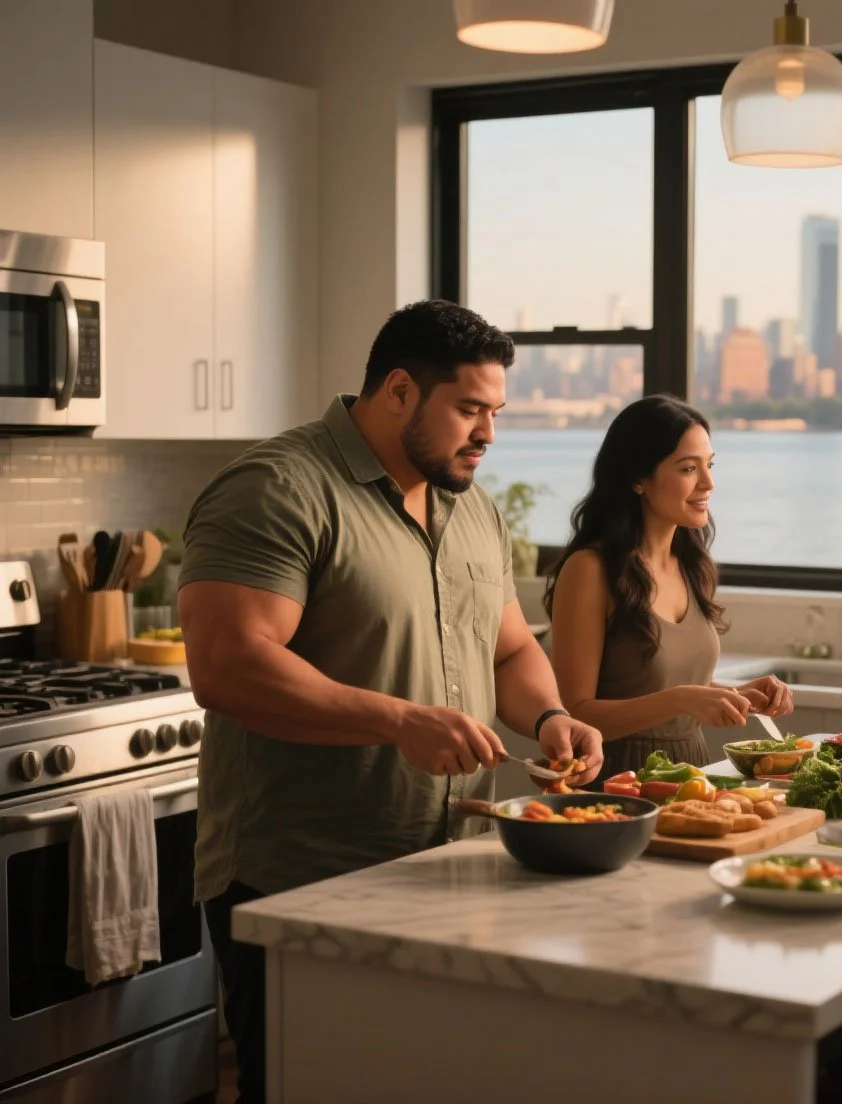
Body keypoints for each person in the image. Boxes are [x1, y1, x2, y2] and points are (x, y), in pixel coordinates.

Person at [179, 300, 603, 1104]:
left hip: (446, 869)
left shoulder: (470, 506)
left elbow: (510, 648)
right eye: (470, 409)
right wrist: (399, 721)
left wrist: (551, 717)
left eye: (495, 412)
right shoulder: (277, 487)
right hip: (301, 879)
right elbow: (229, 666)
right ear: (400, 391)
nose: (488, 433)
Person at [545, 395, 792, 781]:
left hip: (693, 775)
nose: (708, 483)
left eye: (709, 465)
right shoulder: (589, 570)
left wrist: (734, 695)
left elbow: (667, 688)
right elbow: (574, 712)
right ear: (638, 479)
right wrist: (682, 700)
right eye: (689, 468)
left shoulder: (694, 567)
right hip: (615, 783)